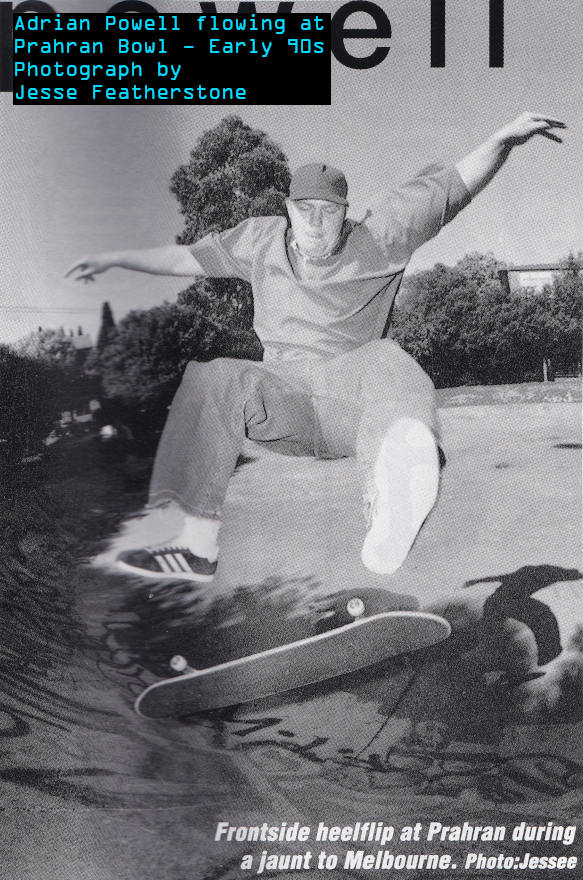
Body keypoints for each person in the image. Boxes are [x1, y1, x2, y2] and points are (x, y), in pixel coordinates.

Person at [67, 112, 565, 583]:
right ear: (287, 210)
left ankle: (391, 499)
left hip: (355, 407)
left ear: (345, 214)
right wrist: (114, 258)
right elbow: (183, 259)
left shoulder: (383, 234)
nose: (316, 224)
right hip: (284, 409)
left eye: (329, 213)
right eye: (305, 211)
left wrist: (504, 139)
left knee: (385, 358)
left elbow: (455, 185)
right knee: (214, 374)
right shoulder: (258, 240)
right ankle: (187, 542)